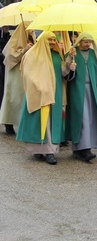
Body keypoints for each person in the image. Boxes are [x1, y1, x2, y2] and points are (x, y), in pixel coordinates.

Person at [16, 32, 75, 165]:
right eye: (49, 40)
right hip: (39, 94)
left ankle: (50, 151)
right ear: (42, 40)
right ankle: (38, 149)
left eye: (54, 40)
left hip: (54, 93)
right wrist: (39, 87)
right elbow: (27, 74)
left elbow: (62, 72)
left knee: (51, 122)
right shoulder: (32, 54)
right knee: (39, 121)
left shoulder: (56, 55)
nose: (53, 42)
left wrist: (69, 62)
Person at [65, 33, 97, 162]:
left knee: (90, 119)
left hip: (92, 90)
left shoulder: (94, 54)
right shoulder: (73, 53)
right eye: (85, 41)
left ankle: (84, 147)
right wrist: (70, 67)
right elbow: (65, 74)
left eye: (90, 42)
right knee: (81, 118)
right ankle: (84, 149)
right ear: (79, 41)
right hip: (77, 91)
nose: (88, 44)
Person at [0, 22, 35, 135]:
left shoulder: (32, 39)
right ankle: (9, 122)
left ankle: (23, 123)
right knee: (14, 98)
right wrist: (23, 50)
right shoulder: (14, 40)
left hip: (27, 72)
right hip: (15, 72)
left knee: (24, 98)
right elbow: (9, 55)